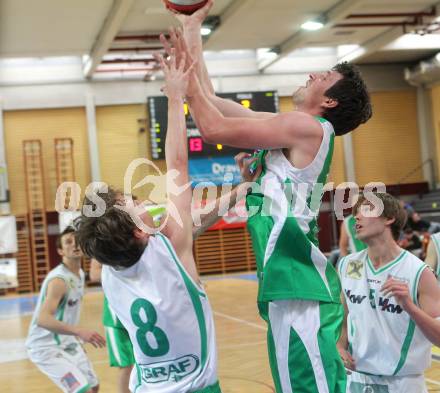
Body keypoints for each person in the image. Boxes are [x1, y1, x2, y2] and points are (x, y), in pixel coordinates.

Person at [162, 2, 372, 392]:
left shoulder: (309, 127)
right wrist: (192, 27)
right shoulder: (294, 129)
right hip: (286, 287)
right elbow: (209, 98)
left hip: (299, 286)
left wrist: (180, 87)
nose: (311, 74)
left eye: (323, 76)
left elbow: (210, 126)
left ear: (329, 101)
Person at [74, 50, 259, 393]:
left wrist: (242, 189)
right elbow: (177, 165)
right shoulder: (169, 250)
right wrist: (176, 97)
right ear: (140, 231)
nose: (145, 201)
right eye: (135, 203)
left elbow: (193, 222)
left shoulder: (112, 274)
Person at [338, 193, 440, 392]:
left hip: (402, 383)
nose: (357, 217)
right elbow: (343, 316)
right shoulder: (348, 264)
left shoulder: (419, 273)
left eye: (366, 210)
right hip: (358, 380)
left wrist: (409, 307)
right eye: (356, 213)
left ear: (389, 218)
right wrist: (339, 346)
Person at [26, 226, 105, 393]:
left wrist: (74, 338)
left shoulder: (80, 274)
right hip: (45, 347)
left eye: (77, 241)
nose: (74, 244)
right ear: (61, 251)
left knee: (94, 386)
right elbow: (43, 319)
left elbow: (68, 313)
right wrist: (79, 332)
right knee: (84, 391)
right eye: (68, 242)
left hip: (67, 341)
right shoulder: (59, 280)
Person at [90, 259, 134, 393]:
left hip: (138, 315)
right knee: (126, 366)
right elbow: (94, 274)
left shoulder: (139, 240)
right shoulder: (103, 242)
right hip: (116, 320)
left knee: (146, 363)